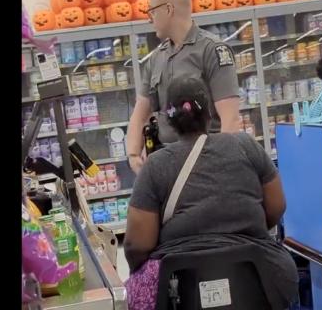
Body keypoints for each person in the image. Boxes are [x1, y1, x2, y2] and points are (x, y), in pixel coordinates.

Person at [123, 77, 298, 310]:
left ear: (168, 120)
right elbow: (277, 207)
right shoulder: (246, 146)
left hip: (180, 291)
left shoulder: (156, 165)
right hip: (258, 281)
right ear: (209, 113)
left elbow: (137, 244)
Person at [126, 0, 241, 175]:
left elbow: (230, 119)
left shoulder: (211, 50)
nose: (149, 19)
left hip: (206, 160)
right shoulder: (156, 59)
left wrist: (219, 166)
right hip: (167, 162)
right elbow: (140, 113)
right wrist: (133, 156)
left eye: (152, 11)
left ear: (168, 9)